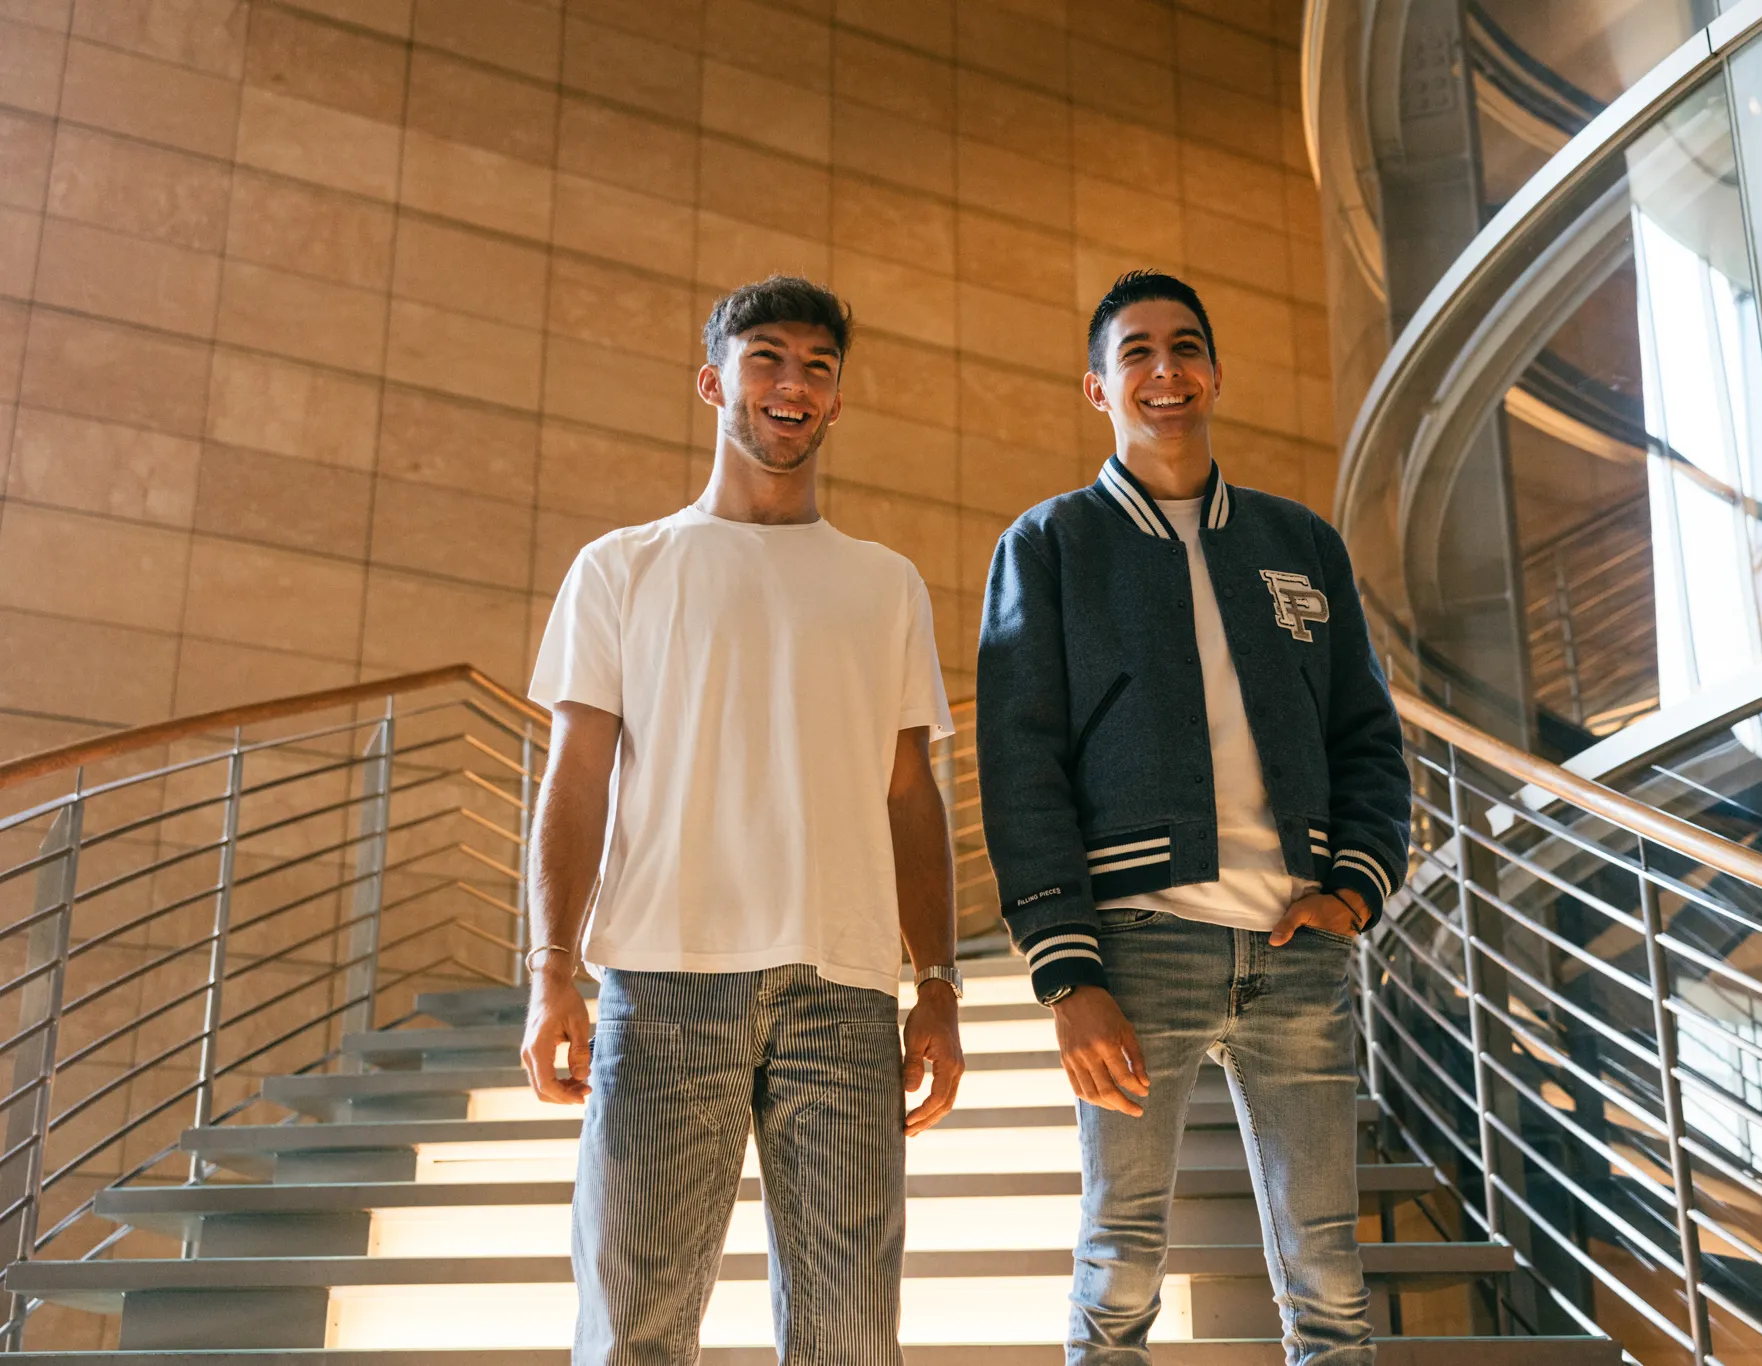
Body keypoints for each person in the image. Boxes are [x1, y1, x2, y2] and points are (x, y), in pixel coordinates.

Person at [519, 275, 966, 1366]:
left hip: (847, 992)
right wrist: (549, 971)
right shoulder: (620, 567)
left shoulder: (885, 582)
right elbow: (573, 779)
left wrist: (940, 983)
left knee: (852, 1338)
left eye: (818, 366)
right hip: (665, 978)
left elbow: (911, 794)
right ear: (714, 381)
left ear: (836, 403)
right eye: (766, 357)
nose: (792, 383)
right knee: (634, 1330)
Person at [976, 270, 1411, 1364]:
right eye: (1135, 352)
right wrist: (1066, 973)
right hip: (1136, 950)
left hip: (1294, 948)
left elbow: (1365, 732)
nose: (1163, 371)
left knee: (1328, 1278)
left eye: (1184, 347)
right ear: (1096, 386)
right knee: (1117, 1265)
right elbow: (1018, 762)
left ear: (1213, 370)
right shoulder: (1050, 545)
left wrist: (1353, 885)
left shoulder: (1298, 542)